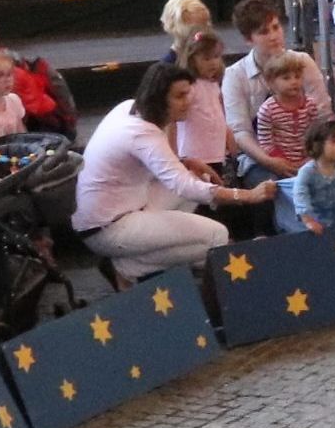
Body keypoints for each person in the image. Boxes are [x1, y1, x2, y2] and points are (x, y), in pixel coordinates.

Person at [76, 61, 274, 272]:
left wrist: (186, 161)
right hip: (107, 228)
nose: (189, 101)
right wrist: (248, 195)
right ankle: (127, 267)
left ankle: (136, 260)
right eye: (180, 96)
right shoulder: (141, 133)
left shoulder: (129, 108)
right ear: (159, 100)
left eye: (188, 93)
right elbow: (182, 185)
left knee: (198, 177)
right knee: (217, 235)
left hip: (124, 206)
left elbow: (165, 167)